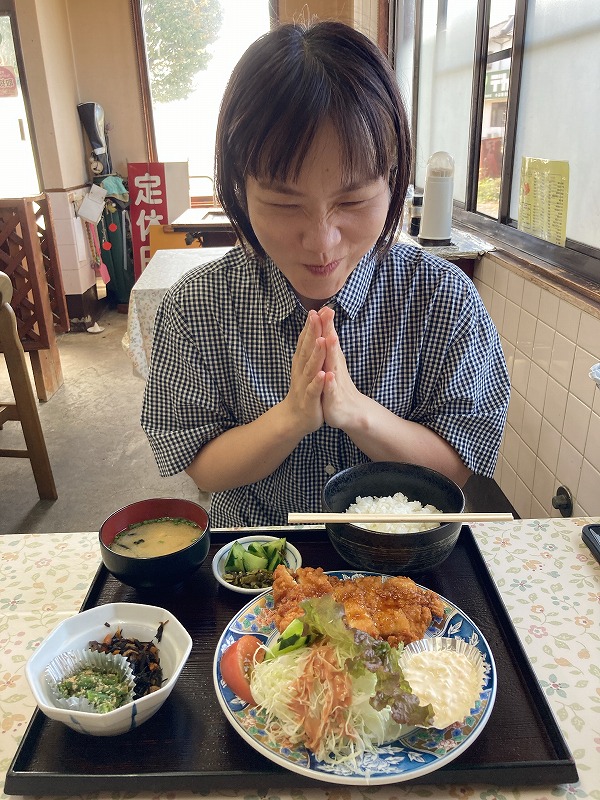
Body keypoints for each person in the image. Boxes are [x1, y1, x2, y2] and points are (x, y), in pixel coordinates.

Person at [141, 19, 510, 529]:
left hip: (396, 555)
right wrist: (291, 418)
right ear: (240, 189)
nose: (321, 241)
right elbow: (201, 464)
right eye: (283, 203)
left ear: (394, 181)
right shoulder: (196, 306)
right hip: (257, 551)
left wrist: (355, 411)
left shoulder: (443, 298)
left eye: (352, 201)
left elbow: (456, 465)